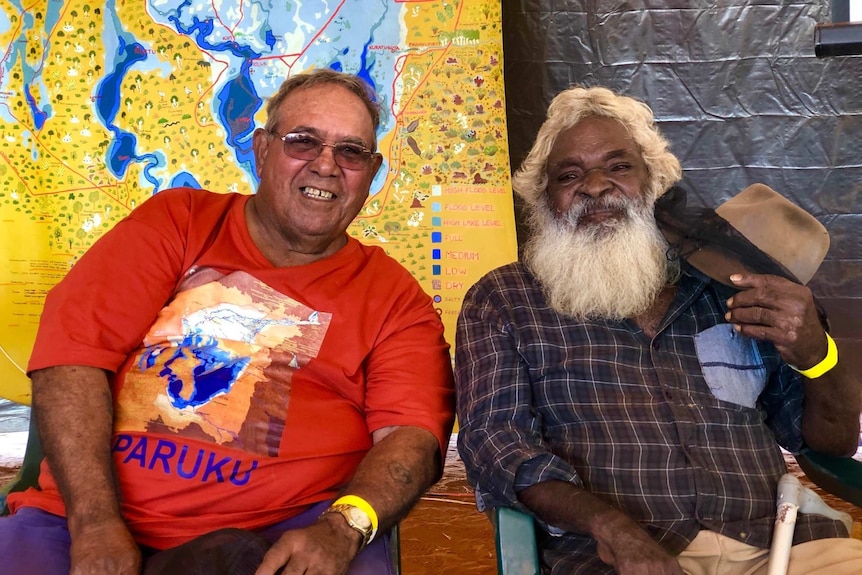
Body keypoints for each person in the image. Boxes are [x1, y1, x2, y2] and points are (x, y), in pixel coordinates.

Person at [0, 69, 455, 575]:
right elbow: (73, 357)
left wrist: (341, 529)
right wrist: (94, 524)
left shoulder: (394, 297)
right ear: (262, 150)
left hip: (285, 533)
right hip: (80, 520)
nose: (326, 166)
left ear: (371, 172)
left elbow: (410, 436)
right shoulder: (178, 222)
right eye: (304, 142)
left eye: (350, 152)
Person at [455, 85, 862, 574]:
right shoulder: (505, 300)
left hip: (784, 545)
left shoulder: (726, 288)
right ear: (544, 201)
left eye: (619, 166)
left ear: (654, 182)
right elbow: (497, 445)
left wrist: (819, 353)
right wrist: (613, 529)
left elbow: (829, 443)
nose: (596, 185)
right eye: (569, 175)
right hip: (618, 557)